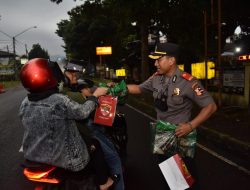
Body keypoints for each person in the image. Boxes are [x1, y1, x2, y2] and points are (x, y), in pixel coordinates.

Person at [126, 42, 217, 189]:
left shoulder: (188, 82)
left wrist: (191, 125)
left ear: (171, 60)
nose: (155, 63)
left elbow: (211, 106)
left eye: (158, 59)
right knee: (171, 176)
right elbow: (138, 88)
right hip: (162, 134)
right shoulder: (156, 78)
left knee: (187, 177)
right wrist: (119, 88)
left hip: (181, 136)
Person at [19, 58, 114, 190]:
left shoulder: (25, 102)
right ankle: (103, 182)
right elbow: (82, 113)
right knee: (95, 144)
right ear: (47, 77)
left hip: (33, 157)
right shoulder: (59, 100)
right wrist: (94, 97)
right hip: (69, 160)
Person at [61, 61, 125, 190]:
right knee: (114, 159)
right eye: (71, 75)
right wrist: (96, 95)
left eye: (75, 74)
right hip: (86, 132)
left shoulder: (60, 93)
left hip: (66, 139)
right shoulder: (72, 96)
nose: (75, 77)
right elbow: (89, 103)